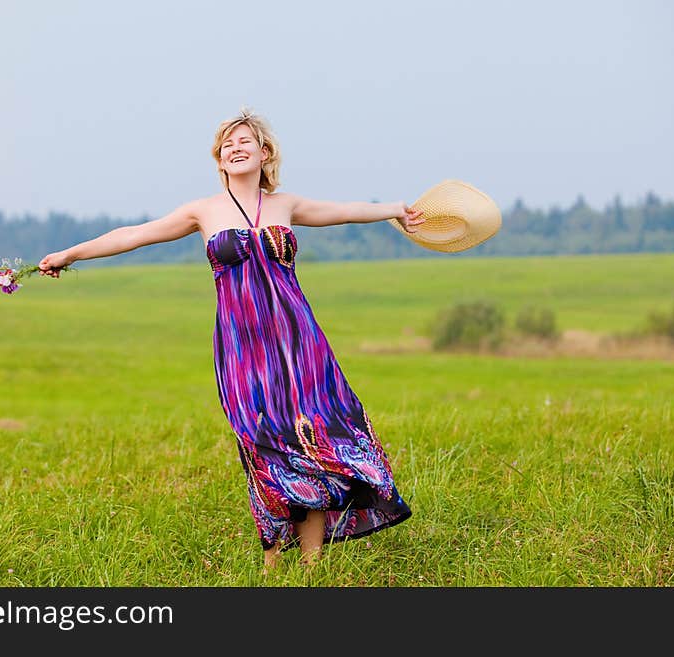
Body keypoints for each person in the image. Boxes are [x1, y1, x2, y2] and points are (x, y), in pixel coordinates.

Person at [39, 108, 424, 571]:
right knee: (263, 440)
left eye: (245, 142)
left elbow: (345, 212)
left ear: (265, 153)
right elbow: (134, 235)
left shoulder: (286, 205)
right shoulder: (203, 211)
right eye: (227, 144)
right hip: (243, 348)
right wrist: (70, 253)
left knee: (315, 435)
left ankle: (311, 565)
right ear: (219, 160)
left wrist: (395, 211)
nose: (236, 148)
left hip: (299, 341)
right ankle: (271, 559)